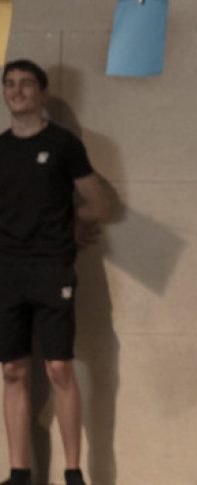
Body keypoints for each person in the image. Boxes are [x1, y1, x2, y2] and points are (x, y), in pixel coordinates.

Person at [0, 59, 110, 485]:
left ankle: (72, 470)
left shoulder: (64, 145)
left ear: (42, 93)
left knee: (60, 369)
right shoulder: (2, 147)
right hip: (7, 272)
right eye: (10, 84)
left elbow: (98, 205)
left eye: (26, 83)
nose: (17, 90)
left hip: (51, 268)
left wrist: (74, 224)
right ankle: (20, 471)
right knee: (12, 371)